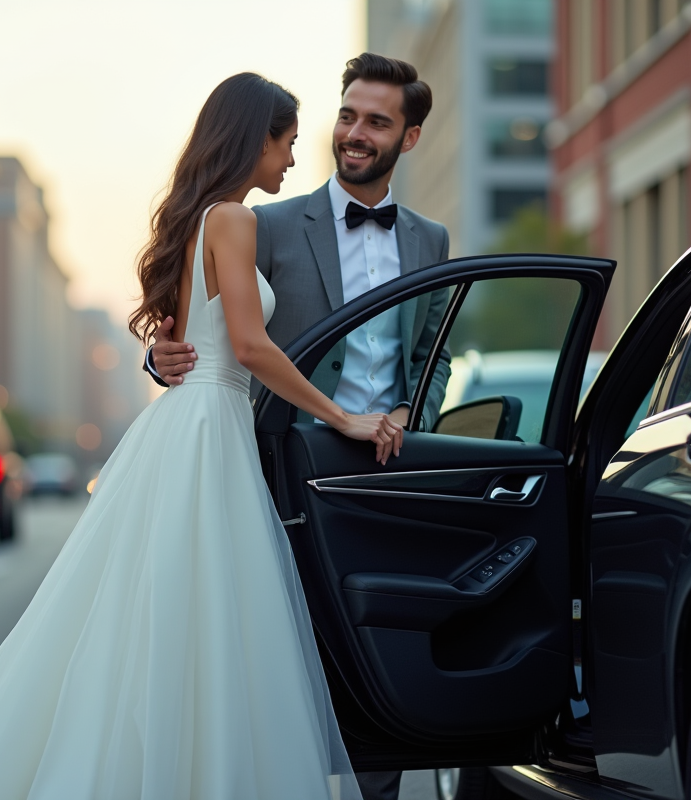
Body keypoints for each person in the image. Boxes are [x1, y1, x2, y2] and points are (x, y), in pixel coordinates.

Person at [0, 73, 398, 800]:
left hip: (187, 427)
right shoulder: (234, 221)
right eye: (285, 142)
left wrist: (166, 353)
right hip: (210, 426)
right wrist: (344, 415)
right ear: (256, 137)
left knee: (166, 617)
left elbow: (190, 338)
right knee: (214, 621)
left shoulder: (199, 220)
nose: (289, 161)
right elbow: (248, 347)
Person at [147, 53, 451, 800]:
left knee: (387, 648)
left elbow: (433, 356)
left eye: (375, 121)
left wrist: (411, 414)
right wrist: (163, 359)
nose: (353, 132)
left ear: (407, 139)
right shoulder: (265, 221)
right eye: (346, 114)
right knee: (286, 650)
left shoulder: (432, 241)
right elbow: (218, 326)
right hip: (290, 466)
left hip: (388, 466)